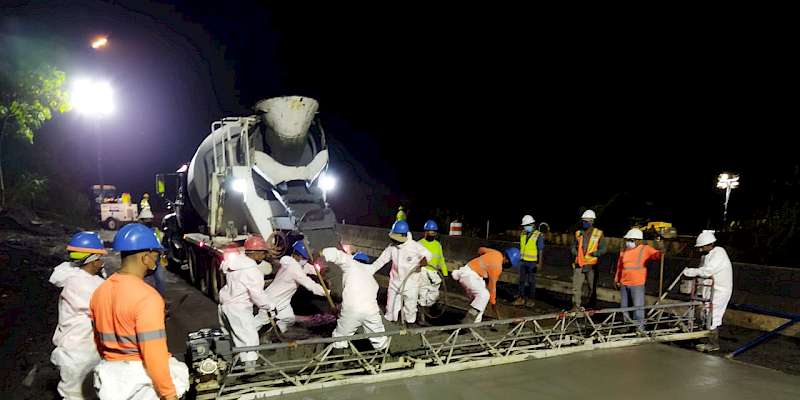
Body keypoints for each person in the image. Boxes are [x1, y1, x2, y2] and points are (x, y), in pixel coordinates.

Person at [90, 223, 188, 400]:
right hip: (140, 384)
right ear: (145, 257)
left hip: (111, 377)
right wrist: (169, 394)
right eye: (156, 255)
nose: (157, 260)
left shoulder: (100, 291)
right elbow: (153, 354)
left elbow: (98, 341)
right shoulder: (147, 298)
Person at [50, 232, 107, 399]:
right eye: (100, 258)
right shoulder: (86, 284)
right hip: (81, 355)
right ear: (94, 261)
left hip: (71, 349)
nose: (102, 262)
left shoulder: (70, 275)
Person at [217, 250, 276, 370]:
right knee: (249, 340)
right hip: (239, 310)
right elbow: (257, 294)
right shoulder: (252, 271)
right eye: (262, 253)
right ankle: (248, 372)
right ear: (254, 253)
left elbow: (222, 268)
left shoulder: (232, 264)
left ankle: (228, 367)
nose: (264, 256)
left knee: (232, 339)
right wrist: (269, 306)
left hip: (224, 307)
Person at [322, 249, 388, 350]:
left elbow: (337, 254)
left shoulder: (351, 264)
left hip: (351, 311)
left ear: (354, 259)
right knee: (379, 338)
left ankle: (337, 359)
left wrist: (322, 253)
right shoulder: (369, 272)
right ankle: (384, 357)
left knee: (340, 337)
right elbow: (359, 296)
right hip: (371, 311)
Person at [372, 220, 433, 324]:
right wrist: (369, 270)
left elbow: (428, 255)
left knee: (410, 307)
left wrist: (424, 260)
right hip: (395, 283)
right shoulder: (392, 248)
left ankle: (410, 325)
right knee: (390, 307)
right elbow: (381, 261)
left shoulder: (414, 246)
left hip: (411, 283)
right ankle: (390, 324)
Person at [683, 230, 733, 352]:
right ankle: (706, 338)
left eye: (701, 247)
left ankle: (713, 344)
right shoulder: (709, 255)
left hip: (720, 290)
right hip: (711, 289)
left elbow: (707, 271)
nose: (700, 250)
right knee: (705, 313)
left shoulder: (719, 253)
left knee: (713, 315)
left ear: (708, 244)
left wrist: (690, 271)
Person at [263, 241, 326, 332]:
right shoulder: (293, 268)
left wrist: (319, 271)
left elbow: (309, 268)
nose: (305, 260)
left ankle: (272, 334)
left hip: (283, 301)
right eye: (303, 258)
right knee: (261, 321)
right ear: (296, 255)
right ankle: (249, 340)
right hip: (272, 299)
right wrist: (326, 292)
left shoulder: (295, 264)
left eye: (305, 258)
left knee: (288, 319)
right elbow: (310, 284)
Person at [451, 247, 521, 323]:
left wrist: (481, 260)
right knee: (484, 295)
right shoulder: (497, 267)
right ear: (507, 261)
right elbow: (492, 286)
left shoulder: (496, 253)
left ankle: (475, 323)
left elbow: (481, 249)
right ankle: (469, 320)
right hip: (469, 275)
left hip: (474, 275)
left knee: (480, 302)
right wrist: (493, 302)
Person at [614, 228, 662, 331]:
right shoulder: (624, 251)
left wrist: (661, 252)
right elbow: (620, 266)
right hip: (624, 282)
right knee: (624, 307)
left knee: (638, 307)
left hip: (637, 283)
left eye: (631, 240)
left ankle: (639, 328)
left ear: (638, 240)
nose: (628, 242)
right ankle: (626, 326)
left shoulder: (644, 249)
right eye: (628, 240)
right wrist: (617, 279)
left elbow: (657, 255)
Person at [571, 209, 607, 309]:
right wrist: (575, 252)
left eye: (586, 221)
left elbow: (604, 248)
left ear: (592, 221)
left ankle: (591, 305)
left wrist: (596, 253)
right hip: (579, 264)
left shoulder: (598, 233)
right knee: (576, 287)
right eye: (583, 221)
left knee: (592, 287)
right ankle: (576, 305)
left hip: (591, 265)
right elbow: (573, 246)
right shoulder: (578, 233)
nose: (584, 223)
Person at [417, 219, 447, 325]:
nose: (431, 233)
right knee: (422, 293)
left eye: (433, 232)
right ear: (425, 232)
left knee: (434, 295)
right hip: (423, 271)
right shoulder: (419, 244)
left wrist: (445, 272)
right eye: (429, 231)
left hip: (434, 273)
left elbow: (441, 259)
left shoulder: (438, 245)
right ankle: (422, 318)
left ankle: (424, 310)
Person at [514, 215, 544, 307]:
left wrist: (539, 263)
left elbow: (540, 250)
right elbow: (522, 247)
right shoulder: (523, 234)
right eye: (525, 225)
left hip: (532, 262)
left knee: (531, 281)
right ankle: (521, 298)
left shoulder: (538, 235)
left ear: (532, 224)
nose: (525, 227)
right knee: (521, 281)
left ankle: (531, 299)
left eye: (527, 225)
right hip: (523, 261)